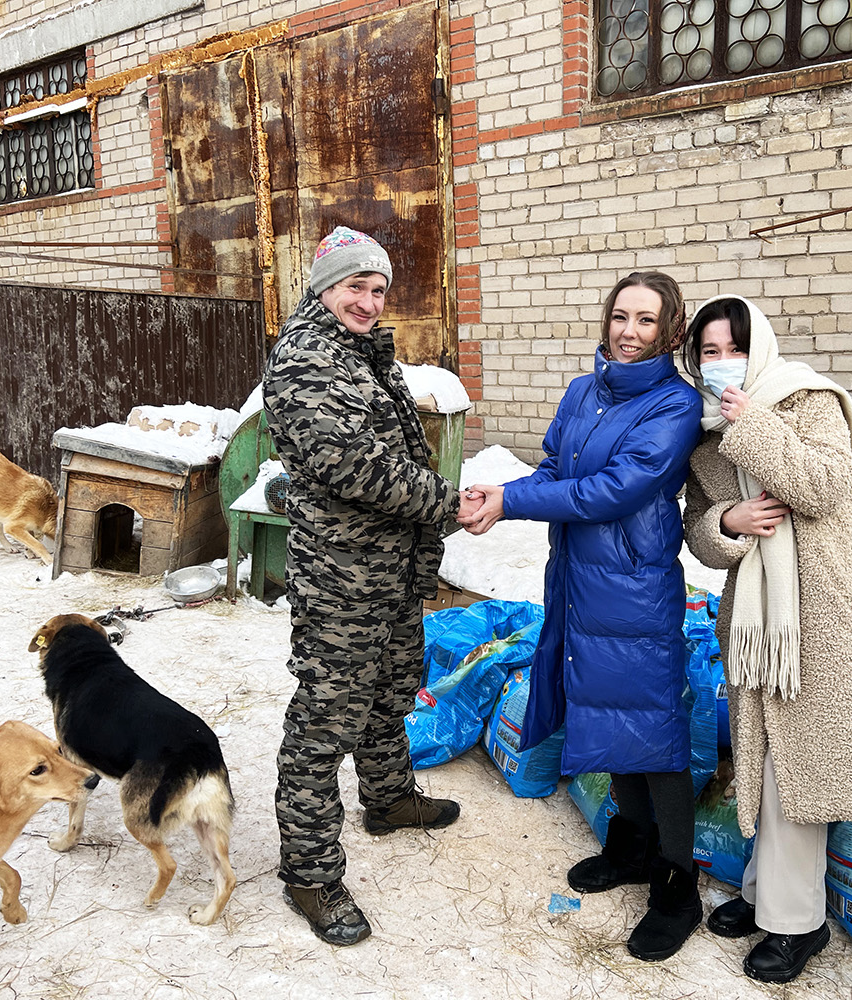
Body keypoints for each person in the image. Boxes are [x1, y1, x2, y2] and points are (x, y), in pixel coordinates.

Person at [458, 271, 705, 961]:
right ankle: (633, 846)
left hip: (632, 585)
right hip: (574, 577)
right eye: (620, 316)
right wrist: (500, 493)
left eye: (646, 320)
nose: (629, 332)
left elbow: (612, 490)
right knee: (603, 706)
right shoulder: (582, 391)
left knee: (651, 726)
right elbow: (554, 469)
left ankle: (678, 887)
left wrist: (513, 503)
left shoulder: (675, 404)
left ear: (671, 330)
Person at [260, 226, 474, 946]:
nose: (370, 301)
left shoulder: (356, 352)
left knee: (388, 692)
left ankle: (388, 800)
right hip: (341, 579)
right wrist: (452, 504)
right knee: (325, 724)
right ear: (325, 287)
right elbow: (356, 467)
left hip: (387, 569)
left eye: (379, 290)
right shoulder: (307, 359)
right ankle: (310, 874)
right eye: (356, 286)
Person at [680, 294, 852, 984]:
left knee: (798, 769)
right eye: (709, 352)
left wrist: (753, 424)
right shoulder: (702, 432)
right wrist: (728, 521)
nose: (723, 363)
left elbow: (828, 485)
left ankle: (797, 923)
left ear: (761, 348)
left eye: (735, 348)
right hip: (755, 620)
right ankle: (764, 893)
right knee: (764, 757)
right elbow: (697, 532)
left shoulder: (808, 398)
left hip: (820, 613)